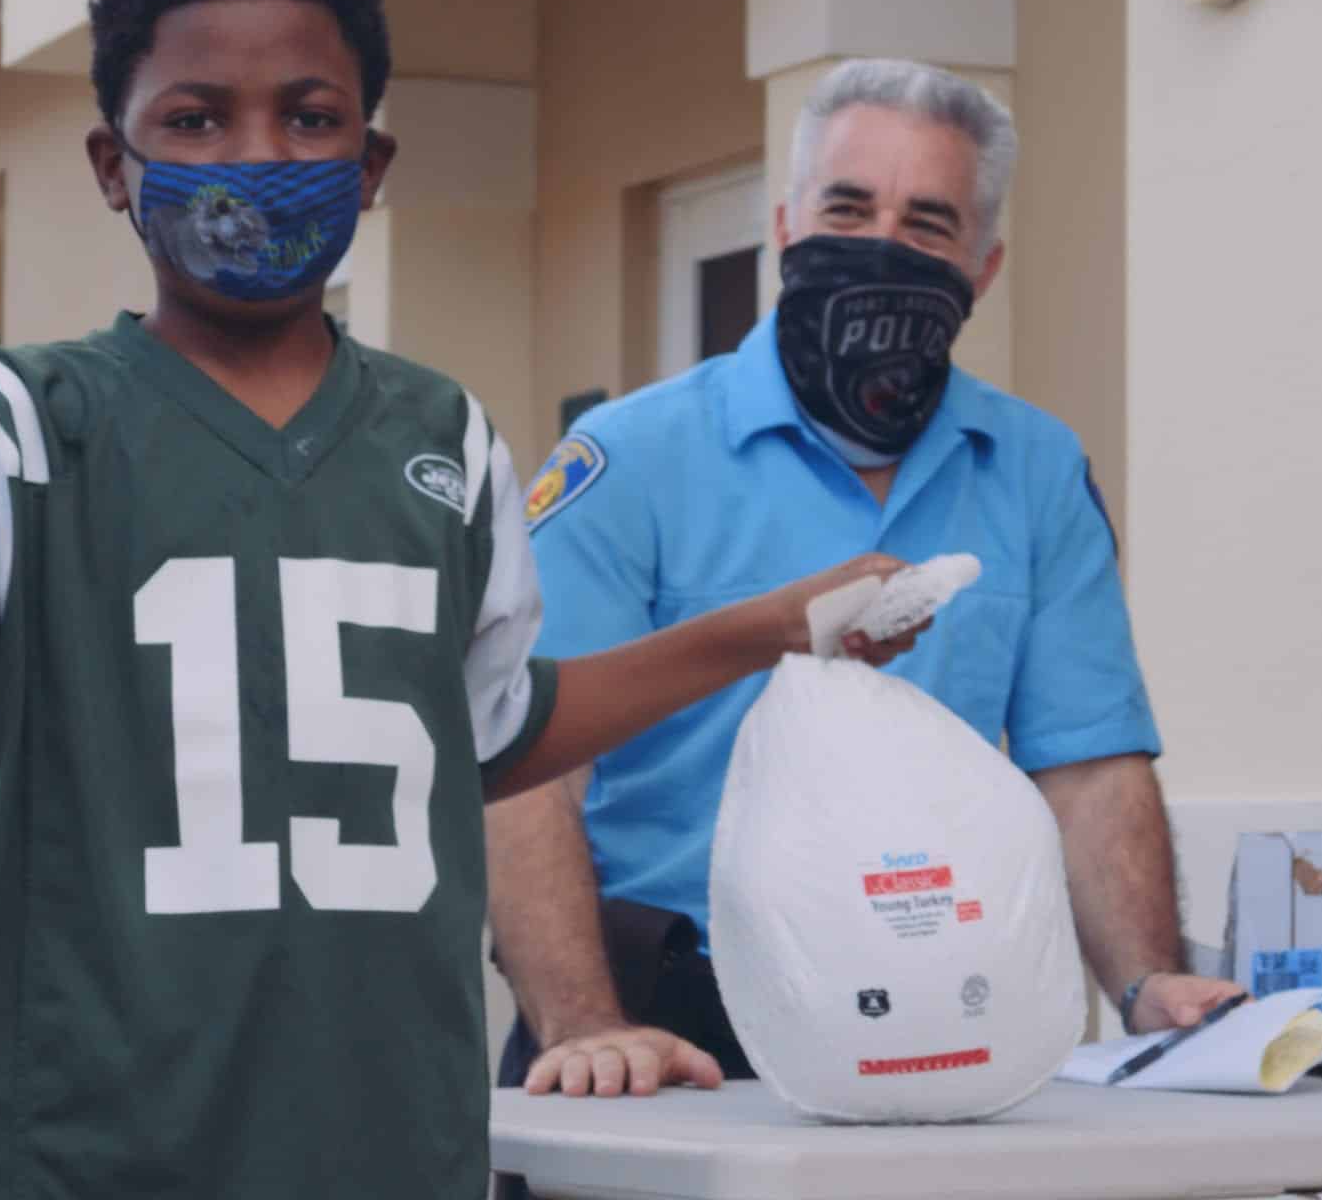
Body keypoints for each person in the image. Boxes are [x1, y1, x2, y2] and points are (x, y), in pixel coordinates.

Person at [0, 0, 918, 1198]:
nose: (255, 154)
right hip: (71, 1155)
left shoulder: (448, 439)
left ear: (367, 169)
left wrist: (765, 630)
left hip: (384, 1148)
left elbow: (484, 733)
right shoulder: (27, 419)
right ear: (111, 166)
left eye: (307, 117)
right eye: (195, 119)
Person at [488, 58, 1248, 1118]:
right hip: (665, 1029)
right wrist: (584, 1025)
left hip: (950, 1031)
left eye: (927, 224)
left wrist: (1144, 983)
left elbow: (1088, 767)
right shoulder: (629, 457)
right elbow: (527, 766)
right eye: (849, 207)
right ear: (787, 227)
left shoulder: (1032, 468)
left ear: (982, 268)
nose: (883, 245)